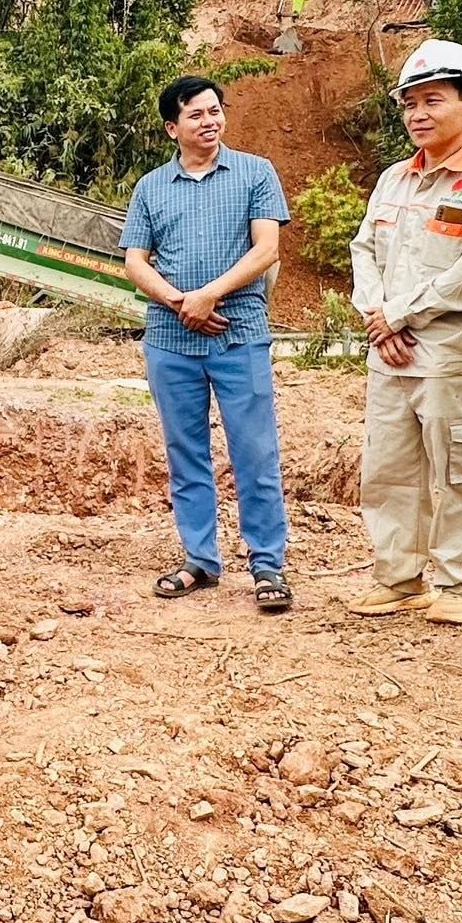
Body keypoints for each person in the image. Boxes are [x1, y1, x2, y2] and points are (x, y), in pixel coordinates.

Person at [121, 75, 295, 613]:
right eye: (195, 114)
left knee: (255, 452)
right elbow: (134, 261)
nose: (209, 121)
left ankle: (268, 565)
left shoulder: (255, 173)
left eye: (215, 110)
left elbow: (266, 249)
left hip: (238, 334)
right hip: (170, 341)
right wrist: (180, 303)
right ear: (172, 128)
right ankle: (200, 559)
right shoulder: (151, 187)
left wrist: (209, 296)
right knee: (185, 452)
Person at [348, 40, 462, 624]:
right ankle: (400, 577)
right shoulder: (394, 178)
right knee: (389, 468)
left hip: (453, 353)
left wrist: (403, 314)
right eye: (410, 103)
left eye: (433, 100)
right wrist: (378, 316)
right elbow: (365, 249)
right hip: (389, 351)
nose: (418, 114)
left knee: (460, 470)